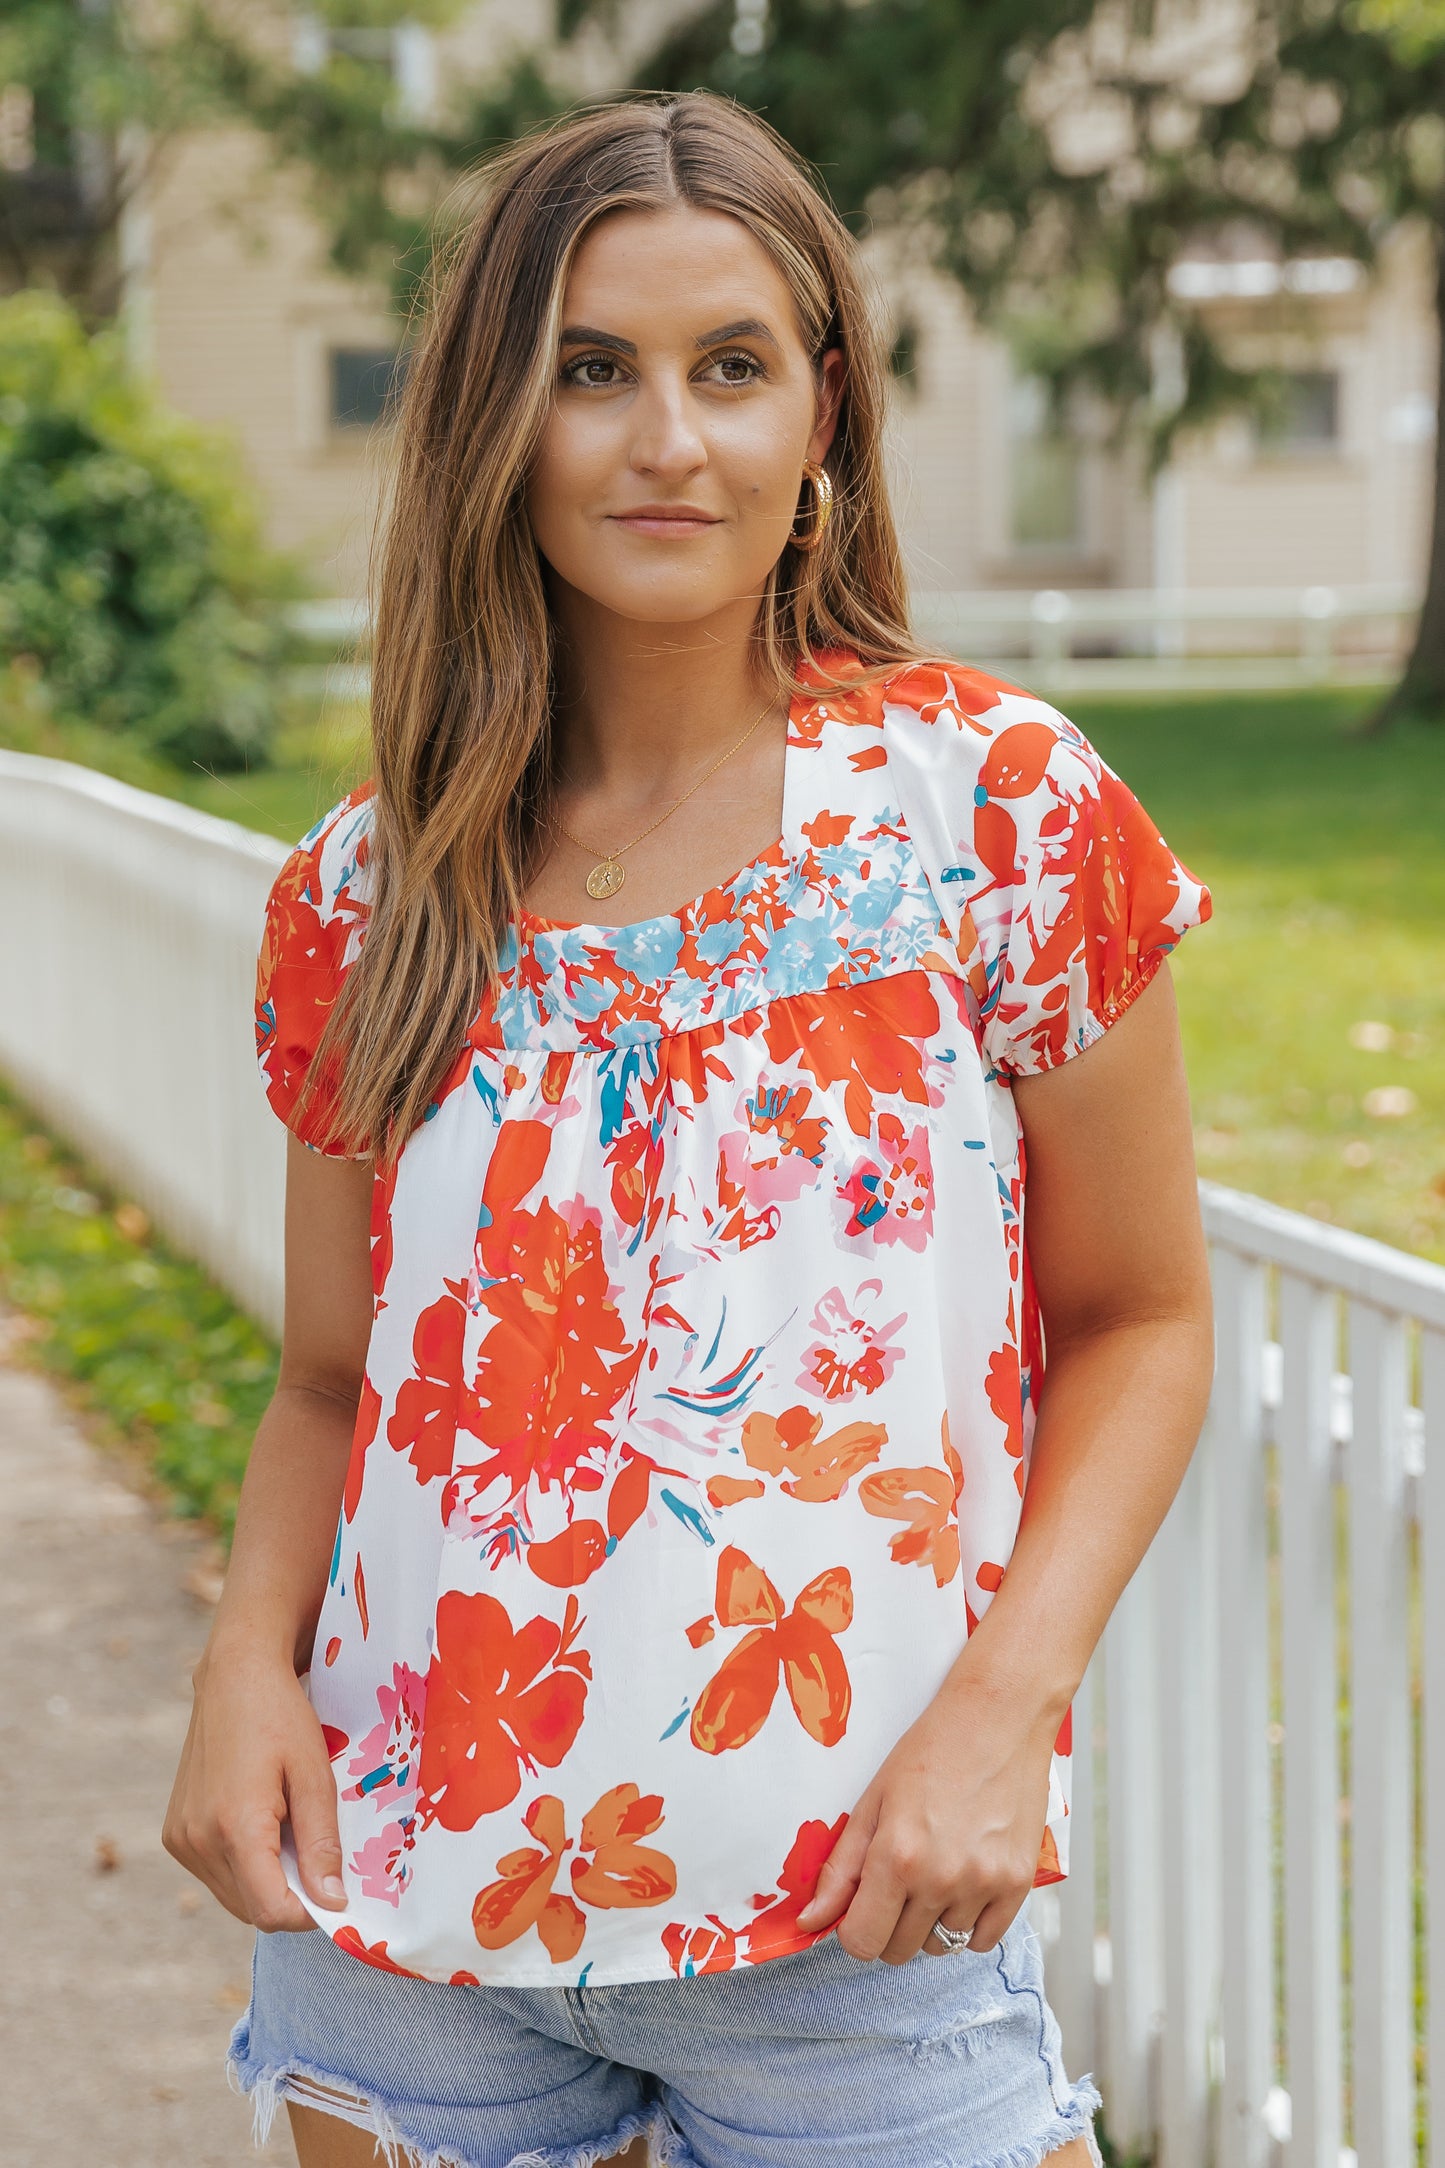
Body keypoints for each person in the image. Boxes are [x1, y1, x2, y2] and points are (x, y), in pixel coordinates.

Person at [164, 89, 1215, 2168]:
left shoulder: (991, 811)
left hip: (865, 1923)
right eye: (592, 371)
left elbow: (1144, 1320)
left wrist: (1003, 1718)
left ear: (824, 412)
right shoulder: (368, 894)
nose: (670, 441)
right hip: (410, 1923)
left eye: (732, 368)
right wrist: (237, 1677)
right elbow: (327, 1379)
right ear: (497, 423)